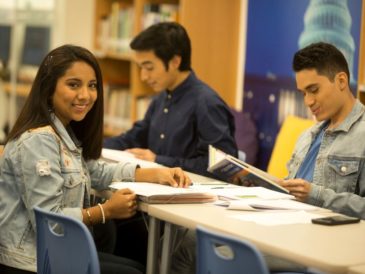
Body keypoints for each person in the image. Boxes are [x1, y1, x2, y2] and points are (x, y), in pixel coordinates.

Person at [169, 41, 365, 273]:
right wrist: (259, 183)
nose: (308, 102)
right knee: (188, 238)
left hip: (322, 244)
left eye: (314, 90)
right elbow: (290, 189)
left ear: (341, 81)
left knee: (196, 248)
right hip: (284, 226)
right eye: (303, 93)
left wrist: (316, 194)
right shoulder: (307, 136)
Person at [0, 44, 191, 274]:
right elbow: (50, 221)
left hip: (53, 253)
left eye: (92, 86)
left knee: (136, 266)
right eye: (73, 85)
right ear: (48, 88)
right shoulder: (39, 140)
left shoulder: (62, 131)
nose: (85, 95)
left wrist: (154, 173)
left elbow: (96, 171)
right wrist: (106, 211)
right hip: (31, 261)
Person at [103, 22, 238, 178]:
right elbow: (134, 138)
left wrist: (159, 161)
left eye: (149, 68)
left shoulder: (207, 102)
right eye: (141, 68)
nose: (143, 77)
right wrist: (89, 148)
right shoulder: (161, 97)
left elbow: (222, 167)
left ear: (175, 62)